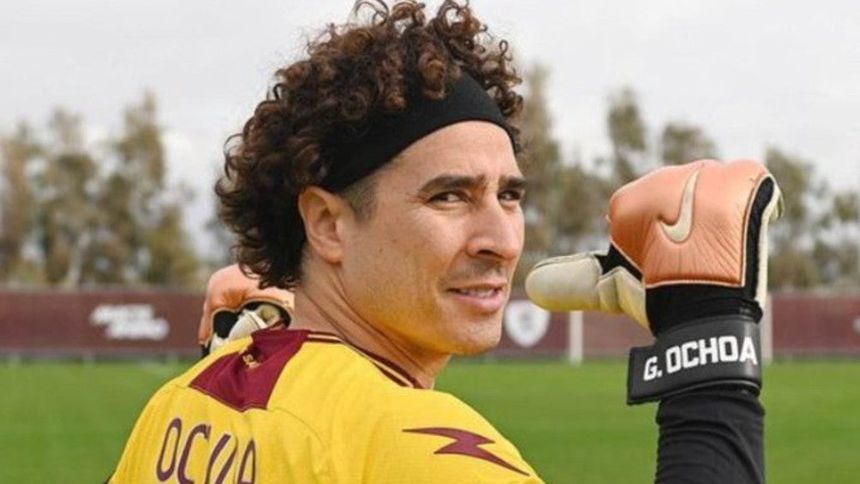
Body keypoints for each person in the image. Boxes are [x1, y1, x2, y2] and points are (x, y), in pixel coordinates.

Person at [109, 1, 780, 482]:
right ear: (328, 225)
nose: (501, 240)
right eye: (449, 196)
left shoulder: (180, 403)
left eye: (508, 195)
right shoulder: (420, 451)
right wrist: (709, 346)